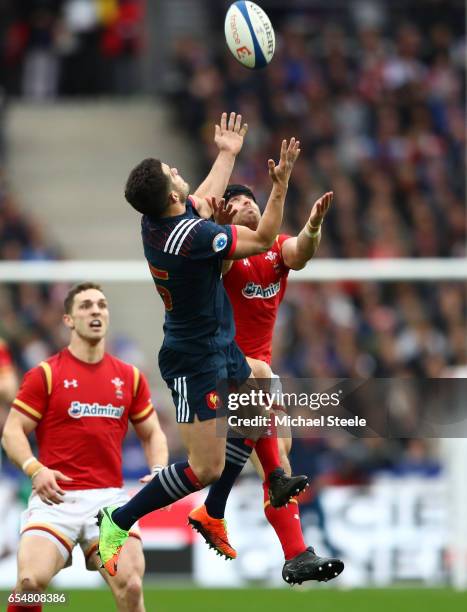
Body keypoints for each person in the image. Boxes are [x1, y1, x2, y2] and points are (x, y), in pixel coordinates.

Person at [97, 112, 317, 579]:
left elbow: (198, 198)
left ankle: (273, 480)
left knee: (261, 380)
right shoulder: (190, 237)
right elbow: (259, 240)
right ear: (173, 196)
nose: (181, 173)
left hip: (219, 344)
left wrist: (227, 154)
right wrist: (279, 186)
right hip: (193, 359)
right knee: (206, 468)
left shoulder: (158, 220)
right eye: (174, 172)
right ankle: (118, 519)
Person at [1, 283, 169, 612]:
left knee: (131, 586)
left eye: (102, 305)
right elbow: (12, 432)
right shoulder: (46, 375)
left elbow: (153, 433)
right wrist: (35, 469)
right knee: (29, 586)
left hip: (108, 502)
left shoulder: (129, 377)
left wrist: (160, 470)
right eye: (86, 306)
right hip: (56, 500)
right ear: (68, 319)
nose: (96, 310)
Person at [208, 184, 342, 585]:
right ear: (228, 216)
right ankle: (217, 509)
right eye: (237, 203)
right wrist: (218, 228)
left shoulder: (275, 249)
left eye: (251, 200)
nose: (246, 205)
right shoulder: (228, 253)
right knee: (271, 466)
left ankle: (294, 554)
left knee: (279, 462)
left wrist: (314, 224)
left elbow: (299, 252)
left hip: (261, 371)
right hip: (228, 370)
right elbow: (218, 268)